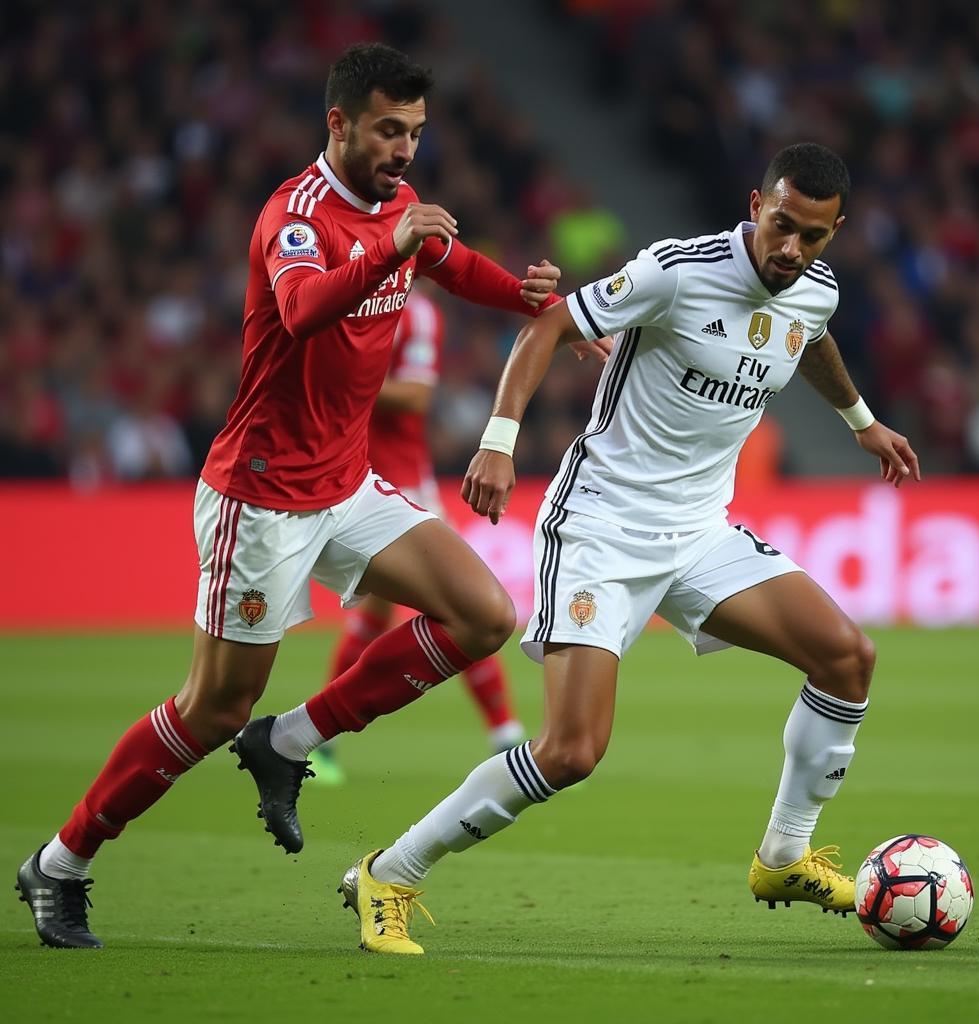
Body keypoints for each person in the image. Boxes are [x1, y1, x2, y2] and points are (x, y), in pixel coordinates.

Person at [16, 42, 605, 950]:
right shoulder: (295, 218)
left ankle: (289, 740)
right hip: (261, 497)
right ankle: (61, 863)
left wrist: (535, 308)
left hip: (346, 482)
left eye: (413, 132)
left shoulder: (401, 207)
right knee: (209, 709)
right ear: (338, 123)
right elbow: (302, 310)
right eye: (386, 130)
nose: (404, 149)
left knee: (484, 613)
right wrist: (389, 249)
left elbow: (452, 264)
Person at [338, 143, 922, 955]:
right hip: (604, 528)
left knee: (847, 657)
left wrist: (864, 425)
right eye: (782, 226)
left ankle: (783, 856)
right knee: (572, 751)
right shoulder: (676, 272)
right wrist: (499, 441)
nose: (792, 250)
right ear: (756, 205)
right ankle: (389, 871)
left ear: (835, 233)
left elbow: (811, 338)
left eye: (813, 237)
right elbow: (549, 322)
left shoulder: (813, 290)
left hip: (701, 532)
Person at [310, 286, 524, 786]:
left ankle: (505, 733)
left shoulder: (418, 314)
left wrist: (345, 379)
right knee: (436, 610)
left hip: (403, 484)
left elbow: (417, 394)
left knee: (458, 605)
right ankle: (319, 741)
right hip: (350, 479)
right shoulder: (348, 301)